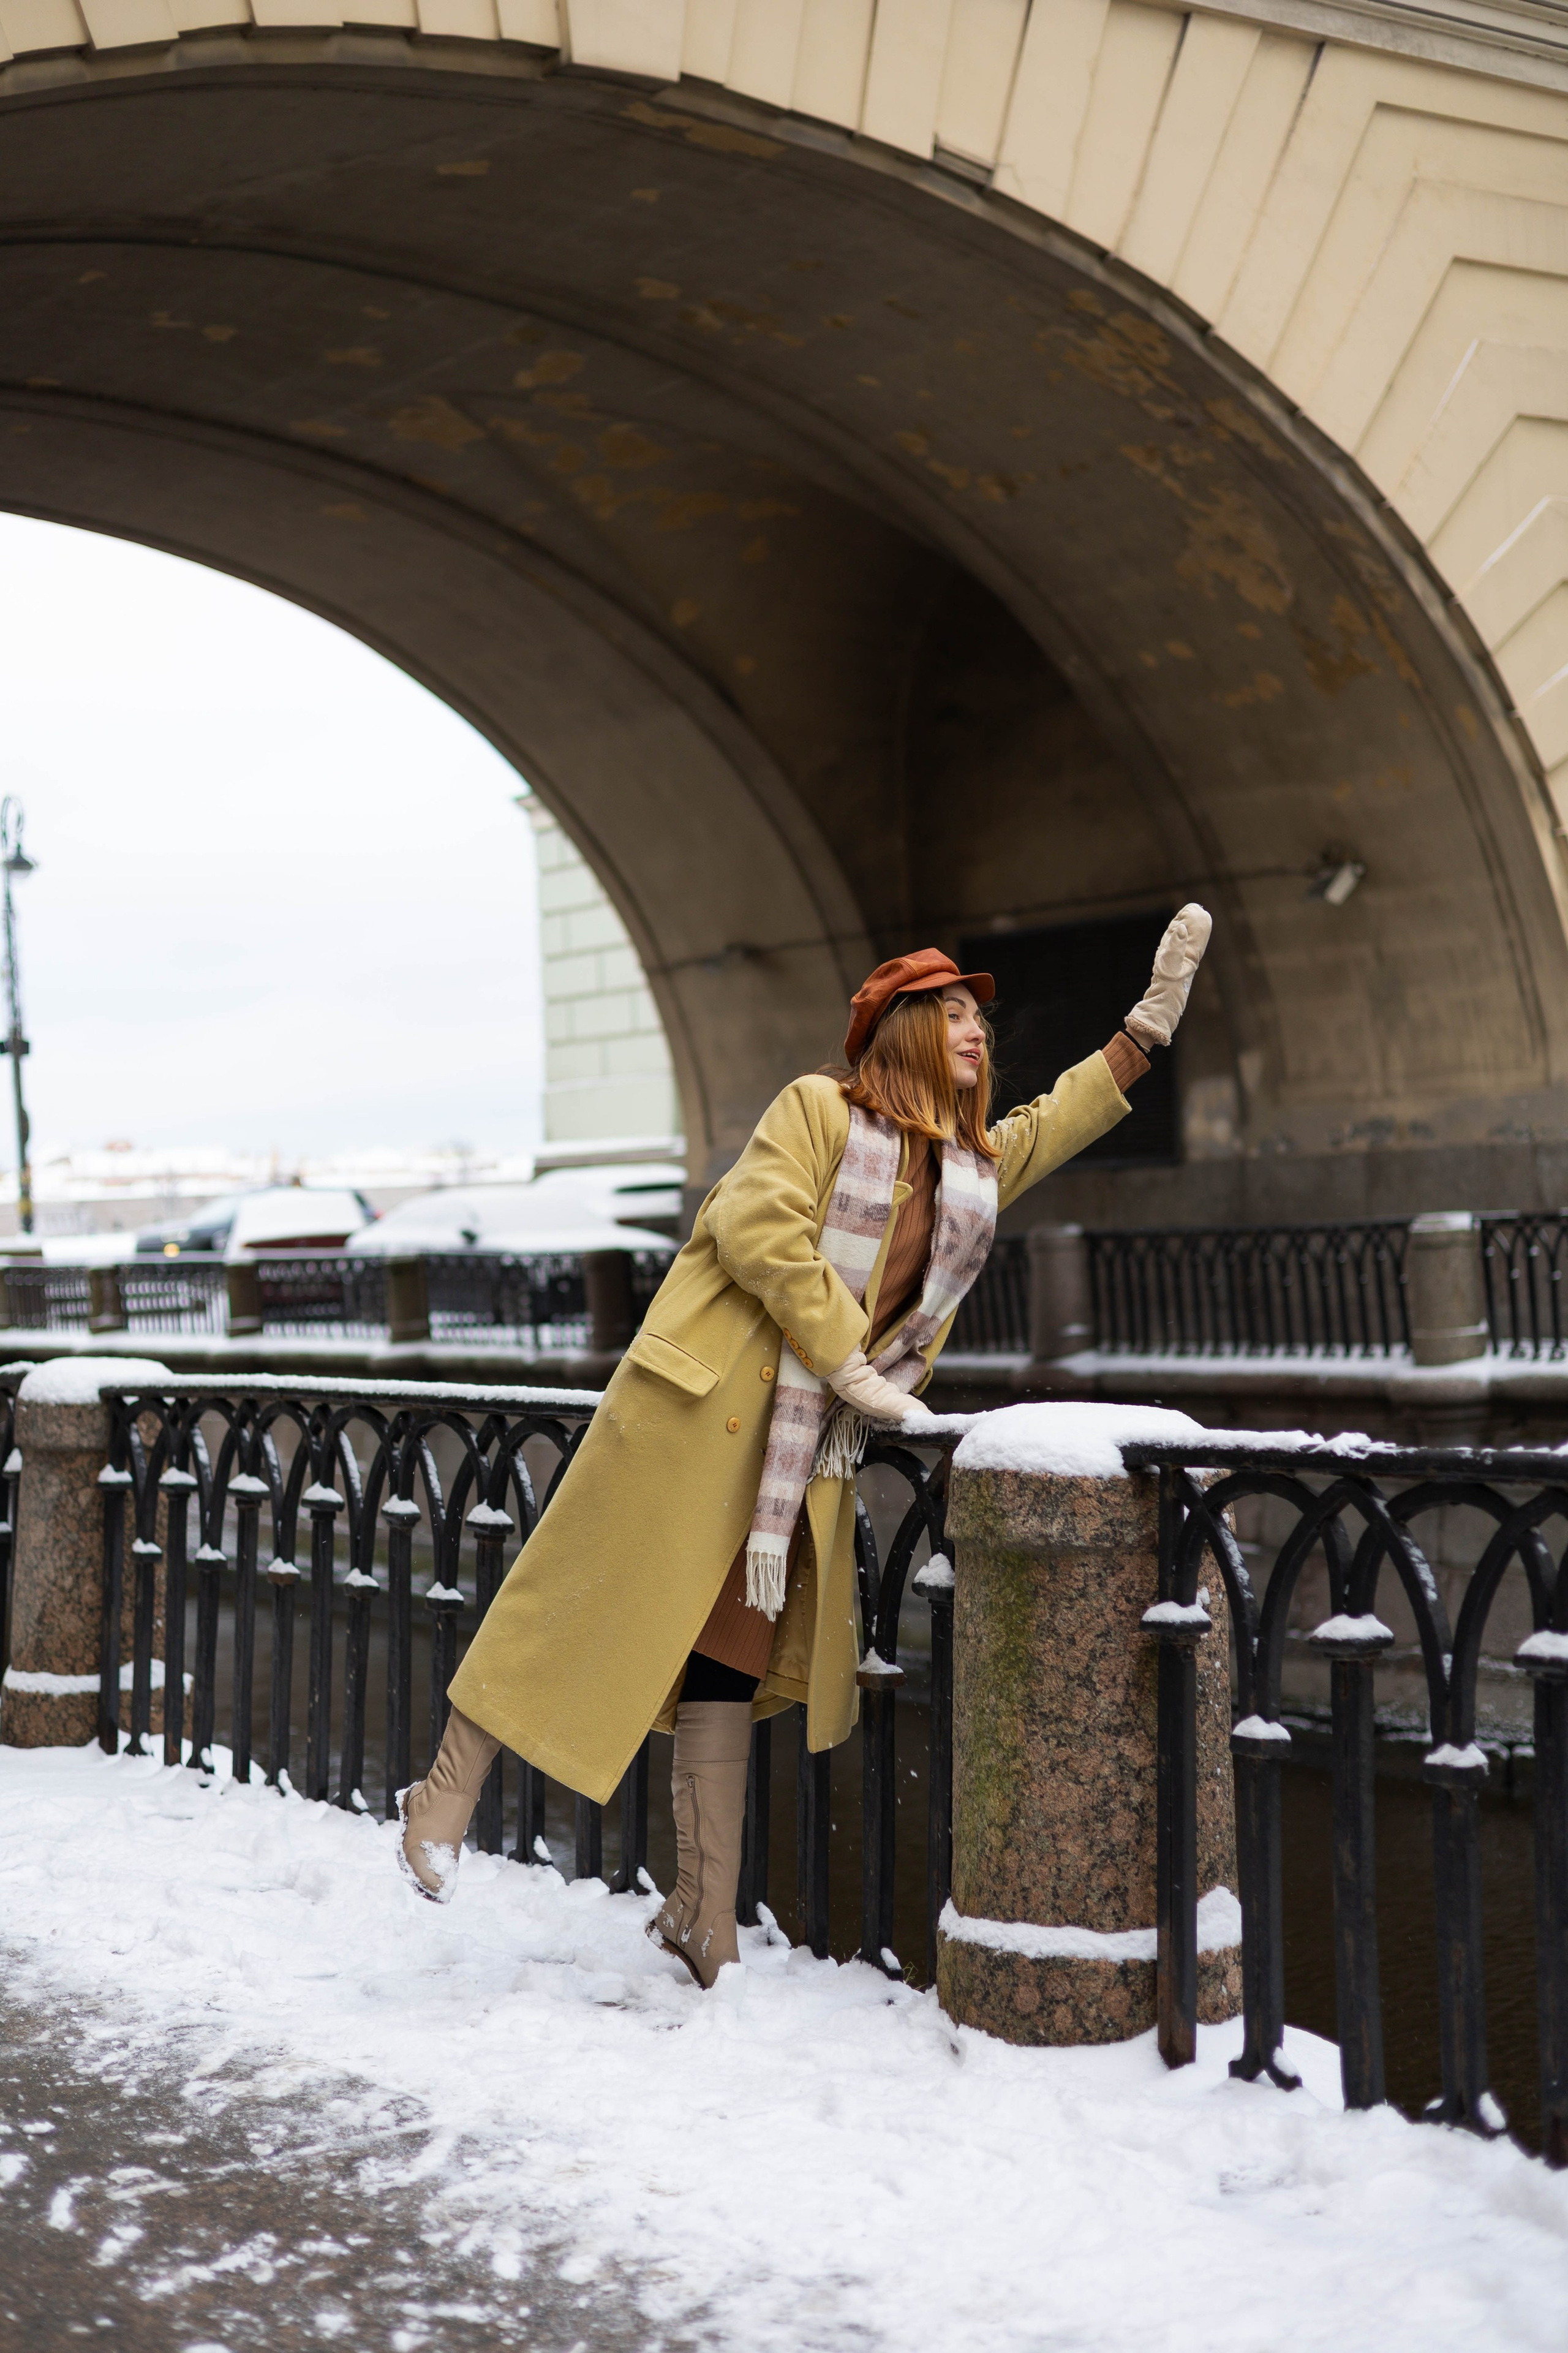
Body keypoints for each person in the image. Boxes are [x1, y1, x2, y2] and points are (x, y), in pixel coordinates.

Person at [396, 910, 1213, 1985]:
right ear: (906, 1030)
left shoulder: (970, 1166)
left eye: (980, 1018)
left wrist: (1144, 1030)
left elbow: (1054, 1120)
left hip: (791, 1462)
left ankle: (701, 1914)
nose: (976, 1032)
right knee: (578, 1598)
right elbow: (758, 1229)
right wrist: (852, 1362)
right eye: (953, 1014)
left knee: (725, 1671)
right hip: (696, 1417)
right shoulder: (819, 1109)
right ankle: (439, 1800)